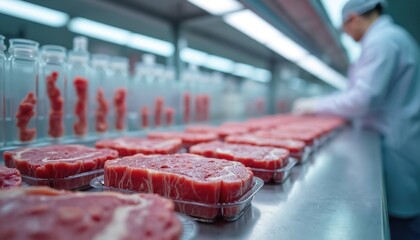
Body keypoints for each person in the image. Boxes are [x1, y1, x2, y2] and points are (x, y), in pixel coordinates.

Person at [292, 0, 420, 239]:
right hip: (393, 138)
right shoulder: (387, 38)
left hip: (397, 146)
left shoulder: (384, 40)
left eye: (345, 28)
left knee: (401, 225)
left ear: (352, 18)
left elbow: (364, 98)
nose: (347, 35)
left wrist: (316, 105)